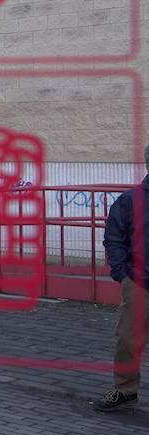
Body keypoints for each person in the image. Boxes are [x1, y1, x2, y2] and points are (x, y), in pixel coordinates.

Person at [94, 144, 149, 412]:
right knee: (129, 339)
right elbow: (114, 238)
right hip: (139, 281)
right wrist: (122, 275)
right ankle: (125, 389)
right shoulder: (130, 201)